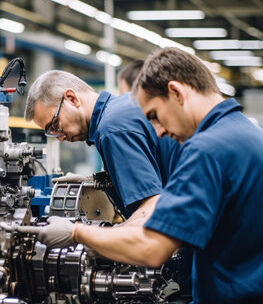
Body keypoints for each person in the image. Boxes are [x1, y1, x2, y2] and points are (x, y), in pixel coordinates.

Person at [21, 47, 263, 304]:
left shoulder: (207, 150)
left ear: (176, 93)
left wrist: (76, 232)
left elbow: (151, 248)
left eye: (154, 116)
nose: (158, 131)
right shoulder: (243, 133)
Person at [23, 70, 180, 230]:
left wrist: (82, 234)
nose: (59, 137)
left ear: (72, 98)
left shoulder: (111, 130)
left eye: (54, 125)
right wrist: (95, 181)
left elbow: (151, 213)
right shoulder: (120, 108)